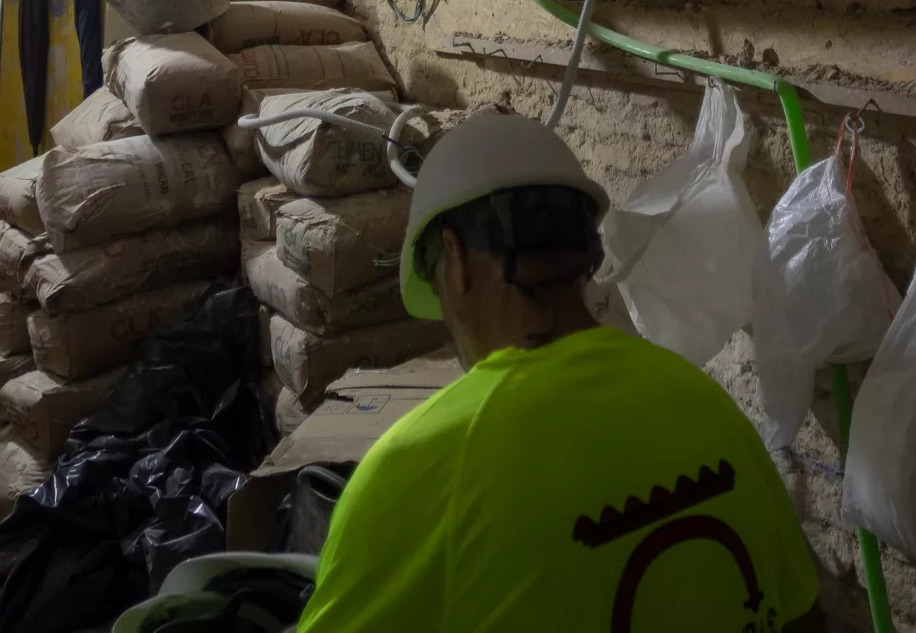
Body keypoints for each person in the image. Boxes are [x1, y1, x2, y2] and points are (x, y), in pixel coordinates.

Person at [297, 115, 825, 633]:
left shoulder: (415, 468)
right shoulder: (705, 404)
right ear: (585, 256)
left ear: (454, 261)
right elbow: (804, 614)